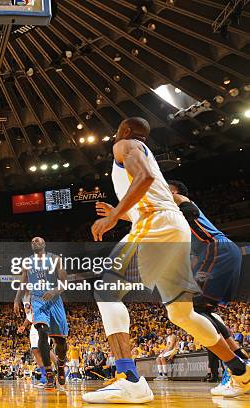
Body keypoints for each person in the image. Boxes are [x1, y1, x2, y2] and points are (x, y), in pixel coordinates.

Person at [83, 117, 250, 403]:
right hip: (171, 227)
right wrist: (120, 212)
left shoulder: (125, 144)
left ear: (123, 130)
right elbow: (150, 196)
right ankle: (241, 371)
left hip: (156, 224)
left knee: (106, 288)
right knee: (181, 313)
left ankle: (129, 379)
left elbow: (143, 178)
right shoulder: (144, 155)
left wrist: (113, 217)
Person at [167, 179, 247, 395]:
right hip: (224, 252)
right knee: (202, 309)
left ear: (172, 191)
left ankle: (239, 369)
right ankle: (242, 361)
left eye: (167, 190)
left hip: (217, 248)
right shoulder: (177, 224)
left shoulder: (177, 201)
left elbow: (185, 203)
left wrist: (180, 202)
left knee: (191, 309)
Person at [14, 237, 69, 390]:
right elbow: (23, 282)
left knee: (61, 342)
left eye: (38, 240)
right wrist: (16, 300)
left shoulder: (56, 259)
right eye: (32, 241)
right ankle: (49, 375)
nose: (35, 242)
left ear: (44, 244)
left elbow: (64, 282)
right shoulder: (27, 262)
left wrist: (54, 291)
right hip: (37, 300)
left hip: (54, 300)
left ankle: (61, 363)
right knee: (42, 332)